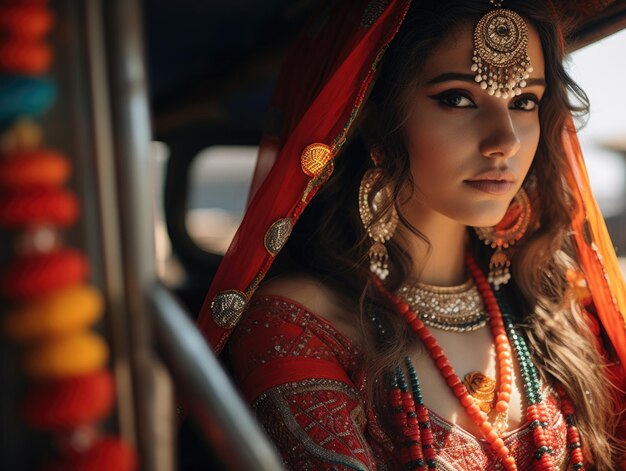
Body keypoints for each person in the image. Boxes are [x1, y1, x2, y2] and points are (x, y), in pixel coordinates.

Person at [197, 0, 626, 469]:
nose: (505, 139)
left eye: (524, 102)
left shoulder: (553, 303)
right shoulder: (300, 325)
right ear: (376, 117)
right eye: (458, 98)